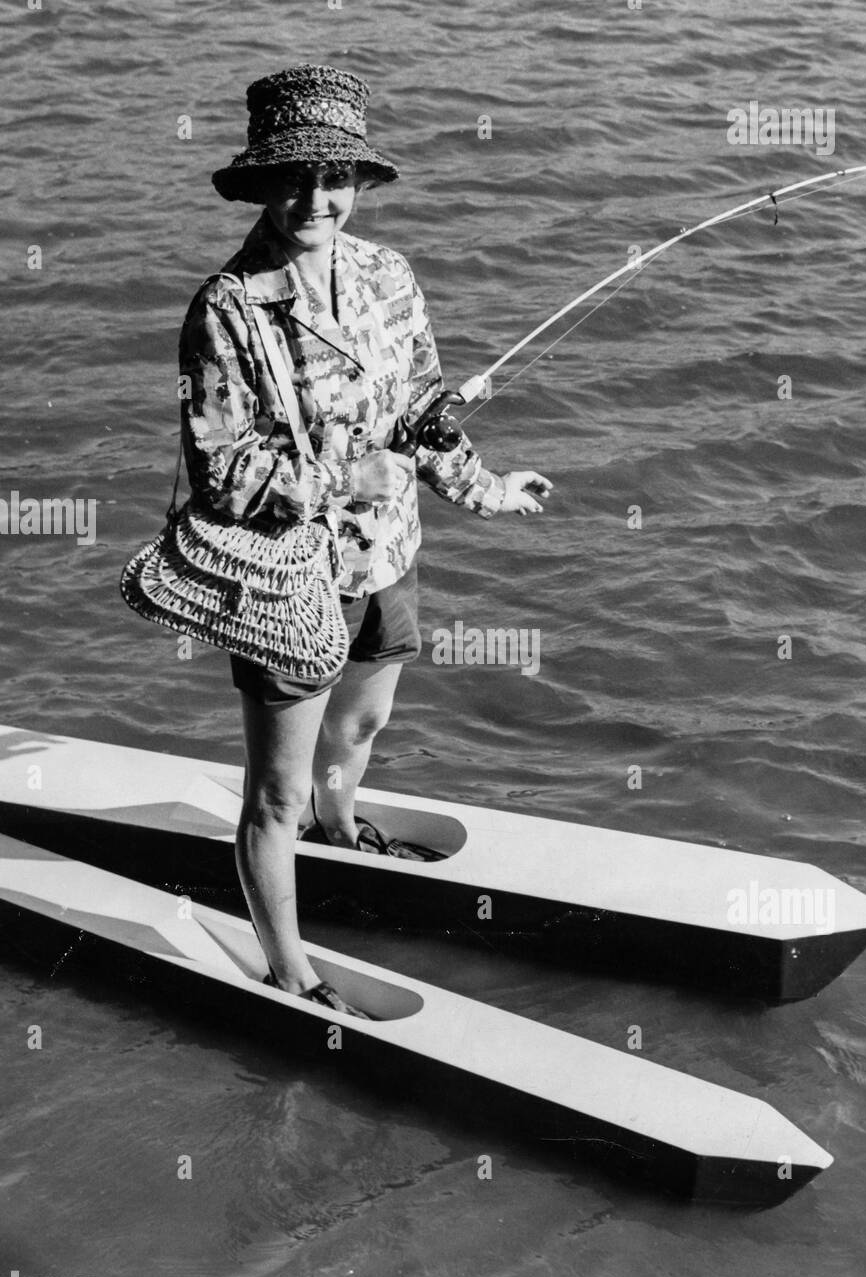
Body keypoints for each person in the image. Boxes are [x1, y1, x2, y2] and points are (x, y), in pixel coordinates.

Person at [179, 64, 551, 1010]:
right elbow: (221, 472)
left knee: (366, 721)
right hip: (289, 579)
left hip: (388, 554)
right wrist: (343, 476)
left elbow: (424, 410)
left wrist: (489, 489)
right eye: (295, 177)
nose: (317, 198)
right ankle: (292, 970)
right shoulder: (226, 307)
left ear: (361, 185)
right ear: (260, 183)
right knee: (272, 793)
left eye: (335, 178)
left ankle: (339, 830)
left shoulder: (389, 275)